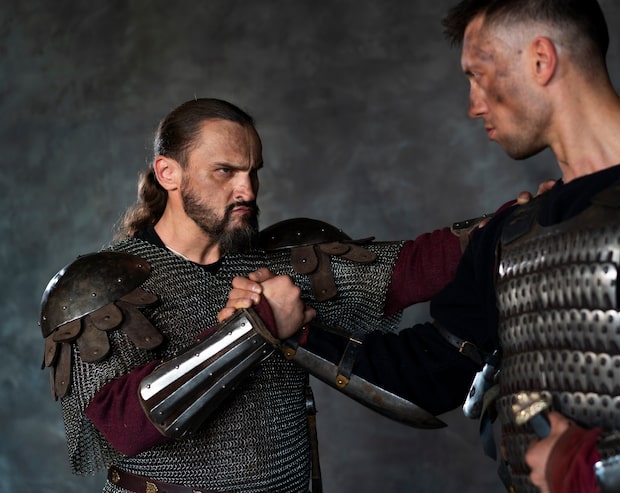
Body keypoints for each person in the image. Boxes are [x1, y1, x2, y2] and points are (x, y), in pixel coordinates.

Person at [225, 1, 620, 492]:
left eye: (479, 74)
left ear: (541, 60)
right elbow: (432, 372)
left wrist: (594, 469)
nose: (473, 105)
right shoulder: (513, 233)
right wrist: (297, 331)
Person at [39, 98, 493, 493]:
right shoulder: (101, 287)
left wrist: (509, 228)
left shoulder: (279, 267)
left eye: (252, 172)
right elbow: (123, 425)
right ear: (168, 173)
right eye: (225, 171)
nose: (248, 191)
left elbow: (408, 269)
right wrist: (257, 325)